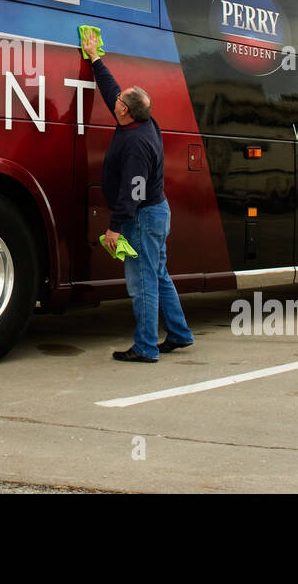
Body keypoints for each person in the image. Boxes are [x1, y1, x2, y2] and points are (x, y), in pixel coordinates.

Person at [81, 31, 194, 363]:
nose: (115, 101)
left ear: (126, 113)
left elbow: (135, 192)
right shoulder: (139, 121)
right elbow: (111, 90)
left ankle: (146, 347)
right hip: (155, 213)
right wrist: (95, 58)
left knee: (142, 283)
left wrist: (115, 228)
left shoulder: (135, 146)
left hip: (143, 217)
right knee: (158, 274)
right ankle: (180, 333)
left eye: (120, 102)